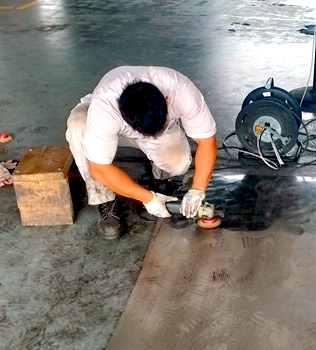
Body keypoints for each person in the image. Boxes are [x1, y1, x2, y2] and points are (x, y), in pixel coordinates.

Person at [66, 66, 218, 239]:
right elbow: (98, 169)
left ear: (166, 101)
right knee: (78, 126)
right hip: (111, 126)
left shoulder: (182, 91)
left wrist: (197, 190)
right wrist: (148, 198)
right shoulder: (106, 109)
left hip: (148, 125)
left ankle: (159, 174)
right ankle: (105, 199)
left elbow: (207, 142)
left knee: (179, 163)